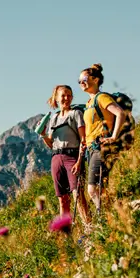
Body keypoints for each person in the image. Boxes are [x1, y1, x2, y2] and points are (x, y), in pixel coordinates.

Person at [38, 85, 91, 224]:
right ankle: (66, 231)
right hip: (56, 158)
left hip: (72, 157)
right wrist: (43, 135)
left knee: (78, 194)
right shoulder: (54, 118)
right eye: (63, 95)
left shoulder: (76, 114)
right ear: (56, 98)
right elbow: (51, 144)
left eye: (69, 95)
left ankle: (89, 227)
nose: (66, 98)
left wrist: (79, 162)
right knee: (62, 199)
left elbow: (83, 140)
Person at [78, 64, 127, 213]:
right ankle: (114, 213)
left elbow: (120, 113)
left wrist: (114, 136)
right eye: (79, 81)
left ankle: (105, 216)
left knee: (92, 189)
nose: (81, 83)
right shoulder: (89, 103)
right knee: (100, 187)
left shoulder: (101, 97)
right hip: (91, 148)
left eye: (84, 79)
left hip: (101, 146)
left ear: (95, 79)